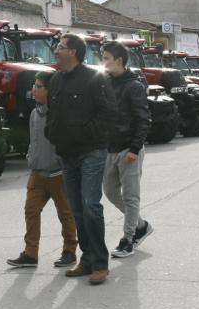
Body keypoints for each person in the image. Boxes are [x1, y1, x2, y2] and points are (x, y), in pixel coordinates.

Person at [47, 33, 117, 285]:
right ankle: (86, 259)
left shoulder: (95, 78)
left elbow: (108, 114)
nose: (56, 51)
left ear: (73, 52)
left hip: (91, 151)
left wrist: (85, 134)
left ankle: (100, 263)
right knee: (77, 209)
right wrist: (52, 135)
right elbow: (52, 115)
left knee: (90, 206)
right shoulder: (55, 80)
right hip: (67, 153)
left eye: (60, 47)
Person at [7, 72, 78, 269]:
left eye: (38, 86)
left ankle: (69, 251)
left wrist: (61, 164)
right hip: (37, 174)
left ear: (50, 90)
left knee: (65, 214)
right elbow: (34, 141)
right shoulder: (33, 114)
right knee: (30, 211)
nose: (33, 90)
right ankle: (30, 254)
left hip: (58, 175)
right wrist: (31, 157)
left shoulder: (60, 114)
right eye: (34, 86)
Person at [101, 42, 154, 259]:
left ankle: (128, 239)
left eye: (106, 58)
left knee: (131, 197)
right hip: (110, 148)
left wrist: (134, 148)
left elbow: (144, 119)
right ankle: (140, 224)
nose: (103, 62)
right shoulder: (105, 83)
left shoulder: (134, 86)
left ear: (119, 61)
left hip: (129, 150)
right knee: (111, 192)